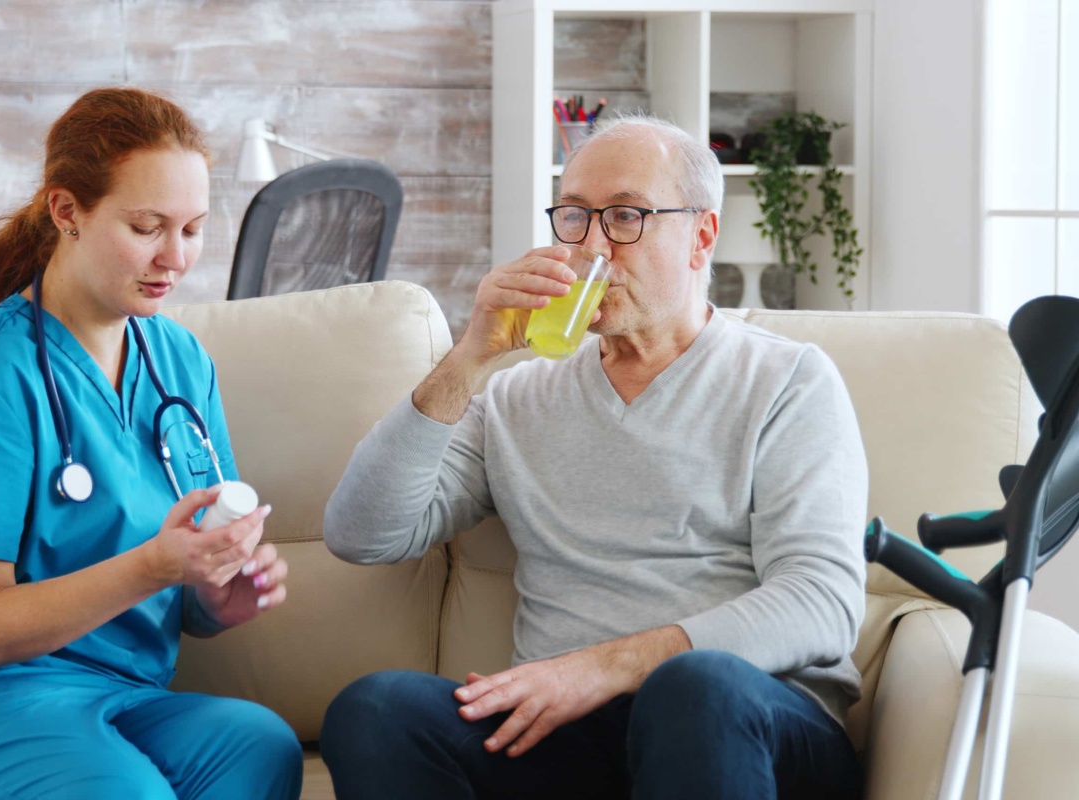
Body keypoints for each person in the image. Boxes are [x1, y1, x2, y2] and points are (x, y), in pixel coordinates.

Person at [319, 115, 868, 800]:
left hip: (750, 723)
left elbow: (822, 604)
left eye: (627, 216)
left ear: (701, 237)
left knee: (696, 687)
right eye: (575, 217)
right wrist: (470, 358)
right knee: (375, 711)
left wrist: (604, 668)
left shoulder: (788, 381)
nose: (593, 246)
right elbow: (361, 534)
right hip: (572, 740)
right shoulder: (518, 396)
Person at [0, 87, 302, 799]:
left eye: (193, 229)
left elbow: (186, 571)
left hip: (116, 690)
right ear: (67, 211)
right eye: (147, 226)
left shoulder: (180, 362)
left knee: (260, 748)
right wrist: (152, 567)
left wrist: (216, 596)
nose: (176, 257)